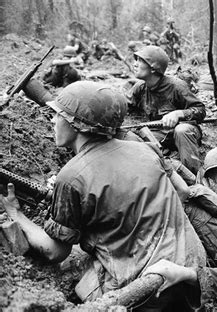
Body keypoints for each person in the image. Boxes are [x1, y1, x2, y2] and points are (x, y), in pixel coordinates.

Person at [0, 81, 206, 310]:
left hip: (146, 291)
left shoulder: (72, 176)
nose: (52, 121)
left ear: (76, 124)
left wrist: (16, 214)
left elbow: (55, 251)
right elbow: (180, 191)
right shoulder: (144, 149)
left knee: (72, 270)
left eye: (58, 115)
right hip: (193, 269)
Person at [127, 45, 206, 173]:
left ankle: (193, 178)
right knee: (133, 138)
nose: (135, 64)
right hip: (158, 134)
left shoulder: (176, 86)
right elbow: (125, 107)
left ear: (153, 68)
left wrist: (178, 114)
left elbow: (200, 110)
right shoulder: (140, 87)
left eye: (140, 61)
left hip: (185, 133)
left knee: (182, 130)